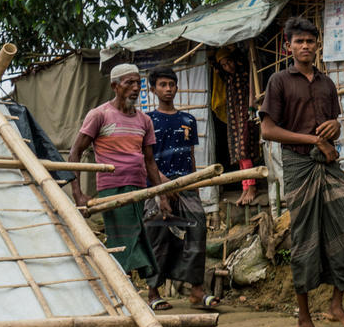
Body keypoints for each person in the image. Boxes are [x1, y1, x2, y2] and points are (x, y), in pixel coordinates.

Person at [259, 17, 344, 327]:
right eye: (299, 42)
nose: (305, 46)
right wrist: (313, 140)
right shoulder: (279, 81)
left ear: (316, 44)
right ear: (288, 47)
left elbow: (333, 123)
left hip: (328, 163)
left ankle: (337, 304)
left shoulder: (327, 84)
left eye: (310, 41)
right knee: (305, 239)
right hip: (298, 163)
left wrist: (334, 128)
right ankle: (304, 317)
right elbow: (268, 130)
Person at [69, 63, 169, 286]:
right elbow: (74, 152)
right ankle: (121, 286)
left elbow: (150, 161)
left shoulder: (144, 120)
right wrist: (78, 194)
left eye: (138, 83)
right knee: (125, 238)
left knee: (134, 236)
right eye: (129, 83)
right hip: (112, 189)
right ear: (115, 86)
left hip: (138, 189)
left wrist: (161, 195)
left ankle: (126, 286)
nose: (135, 88)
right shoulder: (100, 115)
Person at [143, 66, 219, 310]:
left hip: (186, 184)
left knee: (197, 230)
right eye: (162, 85)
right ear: (153, 89)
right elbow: (145, 159)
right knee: (158, 235)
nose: (168, 89)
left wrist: (194, 187)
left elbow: (191, 156)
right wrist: (162, 187)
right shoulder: (147, 121)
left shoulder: (188, 120)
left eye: (171, 84)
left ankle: (197, 290)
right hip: (157, 186)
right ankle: (153, 291)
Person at [212, 46, 260, 206]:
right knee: (239, 153)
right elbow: (213, 64)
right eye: (224, 65)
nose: (228, 67)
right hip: (234, 119)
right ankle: (245, 186)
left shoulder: (244, 71)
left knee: (244, 149)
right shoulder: (227, 77)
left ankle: (251, 186)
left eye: (229, 62)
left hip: (246, 116)